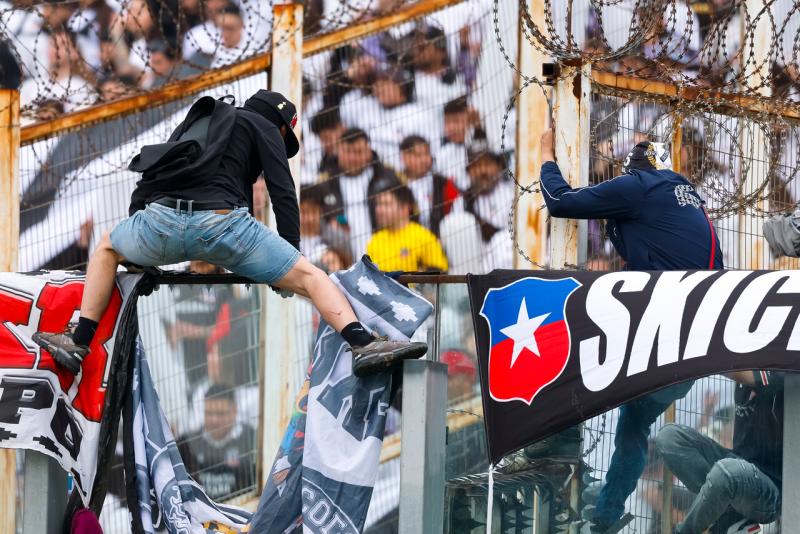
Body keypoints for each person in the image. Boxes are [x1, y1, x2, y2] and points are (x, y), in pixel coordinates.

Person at [32, 90, 427, 379]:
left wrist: (140, 257)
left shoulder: (200, 117)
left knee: (106, 247)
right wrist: (288, 255)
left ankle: (79, 340)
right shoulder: (263, 124)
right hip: (224, 225)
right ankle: (362, 343)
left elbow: (155, 173)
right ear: (280, 124)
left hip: (161, 221)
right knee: (311, 276)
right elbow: (282, 191)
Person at [538, 130, 724, 533]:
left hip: (662, 335)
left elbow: (560, 202)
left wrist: (547, 157)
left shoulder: (638, 186)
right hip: (693, 346)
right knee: (633, 424)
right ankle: (605, 514)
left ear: (632, 170)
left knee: (572, 354)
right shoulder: (685, 195)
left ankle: (555, 446)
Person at [655, 371, 784, 534]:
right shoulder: (744, 368)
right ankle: (730, 514)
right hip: (737, 470)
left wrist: (708, 359)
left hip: (772, 491)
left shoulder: (784, 366)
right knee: (669, 437)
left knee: (727, 471)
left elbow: (748, 375)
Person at [178, 383, 257, 500]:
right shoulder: (188, 444)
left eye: (220, 413)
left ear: (234, 411)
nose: (214, 420)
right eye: (209, 413)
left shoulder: (252, 439)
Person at [366, 180, 448, 273]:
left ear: (405, 207)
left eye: (386, 204)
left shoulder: (423, 237)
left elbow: (440, 272)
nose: (379, 210)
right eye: (378, 204)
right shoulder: (375, 241)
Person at [399, 134, 461, 237]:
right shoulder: (397, 185)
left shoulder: (442, 183)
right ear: (404, 157)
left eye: (427, 154)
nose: (424, 160)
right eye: (418, 155)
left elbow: (456, 212)